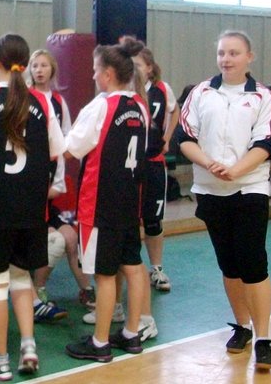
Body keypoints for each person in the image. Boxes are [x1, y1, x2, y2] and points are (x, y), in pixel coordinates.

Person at [178, 30, 271, 370]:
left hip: (249, 188)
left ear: (249, 57)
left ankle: (264, 339)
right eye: (222, 53)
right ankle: (242, 326)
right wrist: (209, 163)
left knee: (253, 263)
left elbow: (268, 143)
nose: (226, 59)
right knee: (229, 265)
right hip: (211, 190)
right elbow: (184, 137)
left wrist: (236, 170)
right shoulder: (201, 92)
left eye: (234, 53)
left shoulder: (262, 96)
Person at [0, 34, 65, 381]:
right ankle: (29, 346)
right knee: (22, 278)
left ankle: (0, 359)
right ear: (25, 64)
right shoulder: (41, 101)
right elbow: (57, 152)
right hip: (30, 209)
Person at [65, 37, 149, 363]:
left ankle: (100, 342)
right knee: (133, 267)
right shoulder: (139, 106)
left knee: (103, 275)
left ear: (109, 74)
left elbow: (73, 148)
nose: (92, 76)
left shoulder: (101, 106)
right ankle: (131, 333)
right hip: (129, 200)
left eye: (95, 70)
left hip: (100, 203)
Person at [28, 49, 95, 312]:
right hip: (29, 179)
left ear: (52, 70)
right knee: (49, 241)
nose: (39, 70)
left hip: (51, 179)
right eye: (35, 65)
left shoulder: (58, 102)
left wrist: (58, 176)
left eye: (44, 65)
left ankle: (87, 290)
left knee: (70, 238)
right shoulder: (25, 98)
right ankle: (36, 291)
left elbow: (66, 138)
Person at [129, 38, 179, 292]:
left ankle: (156, 269)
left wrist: (167, 138)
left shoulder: (161, 89)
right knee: (129, 220)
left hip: (153, 162)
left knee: (153, 220)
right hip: (129, 165)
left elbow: (175, 110)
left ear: (149, 67)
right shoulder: (124, 90)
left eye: (138, 64)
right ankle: (130, 268)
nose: (134, 69)